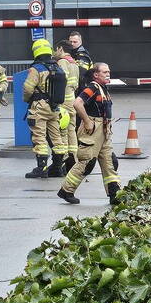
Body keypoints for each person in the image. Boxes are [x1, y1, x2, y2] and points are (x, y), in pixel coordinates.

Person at [58, 62, 121, 205]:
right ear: (96, 74)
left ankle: (114, 194)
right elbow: (77, 103)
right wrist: (87, 121)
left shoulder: (103, 88)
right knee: (87, 162)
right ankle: (66, 191)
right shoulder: (92, 87)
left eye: (108, 72)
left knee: (109, 162)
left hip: (104, 131)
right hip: (93, 130)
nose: (108, 74)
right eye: (104, 72)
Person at [22, 39, 67, 178]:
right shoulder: (58, 67)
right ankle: (58, 168)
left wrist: (27, 99)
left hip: (39, 107)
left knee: (39, 136)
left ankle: (41, 168)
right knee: (56, 138)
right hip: (54, 107)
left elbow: (28, 88)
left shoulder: (37, 69)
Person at [53, 40, 80, 173]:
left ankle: (63, 162)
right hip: (72, 102)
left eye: (55, 50)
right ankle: (73, 159)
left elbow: (60, 82)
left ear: (60, 49)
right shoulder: (74, 63)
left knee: (62, 131)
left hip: (63, 103)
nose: (54, 52)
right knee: (71, 131)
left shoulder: (62, 62)